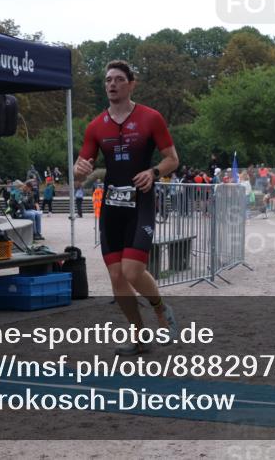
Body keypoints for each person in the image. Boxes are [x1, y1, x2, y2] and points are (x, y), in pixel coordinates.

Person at [73, 59, 180, 355]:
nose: (112, 84)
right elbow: (82, 167)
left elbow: (172, 158)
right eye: (108, 80)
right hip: (111, 208)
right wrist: (78, 169)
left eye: (119, 79)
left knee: (133, 271)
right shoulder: (96, 126)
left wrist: (154, 172)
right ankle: (139, 336)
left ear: (131, 84)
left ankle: (161, 311)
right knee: (117, 277)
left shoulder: (150, 118)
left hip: (140, 203)